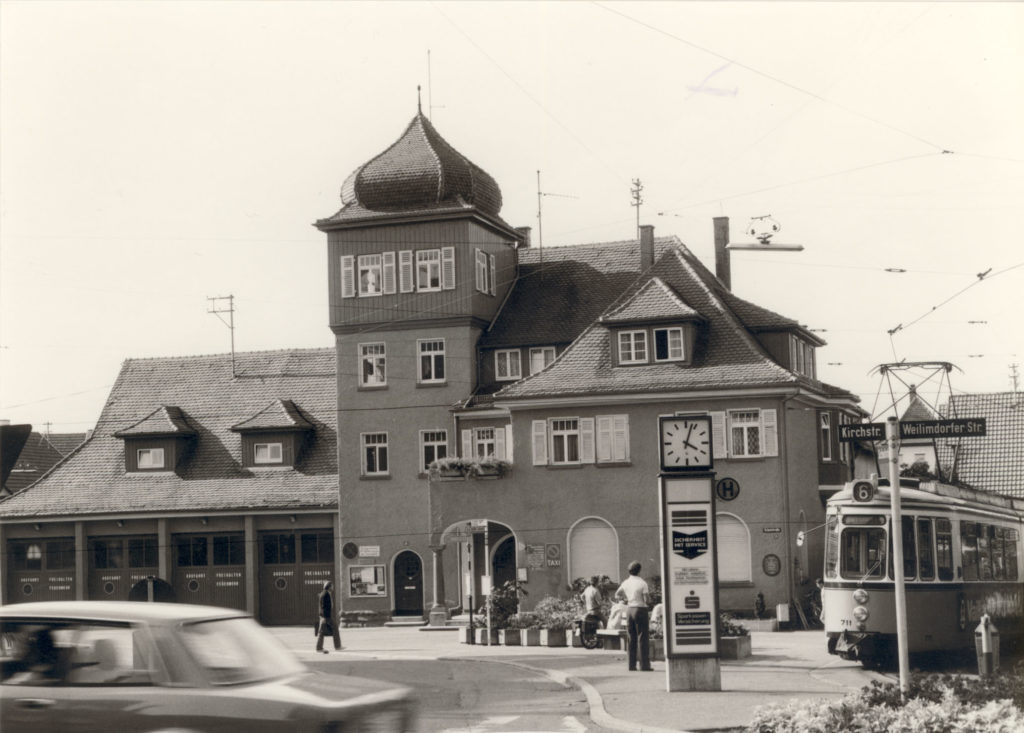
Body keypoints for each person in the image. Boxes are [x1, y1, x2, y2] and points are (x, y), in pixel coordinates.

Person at [614, 561, 652, 671]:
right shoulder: (642, 583)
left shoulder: (625, 582)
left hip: (629, 609)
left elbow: (617, 594)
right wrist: (648, 600)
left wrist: (626, 599)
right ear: (639, 570)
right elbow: (646, 600)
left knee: (631, 638)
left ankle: (631, 665)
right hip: (640, 609)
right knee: (642, 637)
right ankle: (644, 665)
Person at [315, 580, 342, 653]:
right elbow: (322, 607)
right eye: (332, 586)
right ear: (329, 586)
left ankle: (319, 647)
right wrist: (323, 617)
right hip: (326, 616)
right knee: (334, 628)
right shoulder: (325, 594)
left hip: (325, 616)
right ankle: (337, 646)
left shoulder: (326, 593)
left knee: (321, 632)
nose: (333, 587)